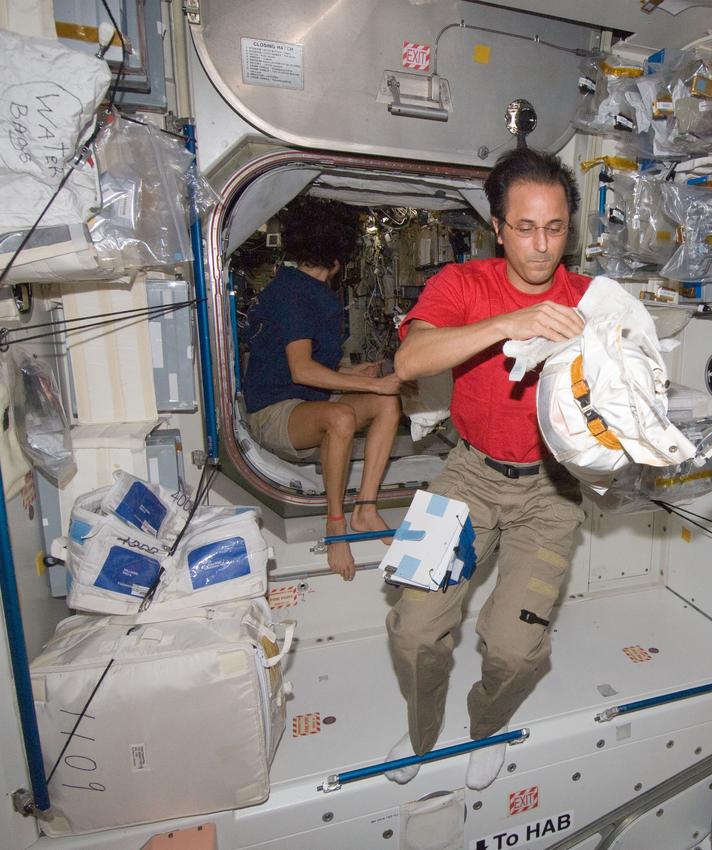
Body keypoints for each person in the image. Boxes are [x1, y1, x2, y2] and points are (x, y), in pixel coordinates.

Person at [384, 148, 589, 791]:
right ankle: (422, 735)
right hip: (467, 474)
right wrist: (512, 322)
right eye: (524, 228)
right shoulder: (462, 285)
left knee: (516, 650)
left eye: (555, 228)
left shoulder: (591, 298)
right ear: (497, 228)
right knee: (414, 629)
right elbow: (412, 361)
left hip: (552, 492)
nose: (540, 246)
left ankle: (485, 726)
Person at [241, 196, 401, 579]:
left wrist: (353, 372)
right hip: (273, 414)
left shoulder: (304, 290)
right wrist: (365, 386)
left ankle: (364, 509)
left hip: (304, 406)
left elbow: (304, 361)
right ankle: (336, 526)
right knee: (343, 415)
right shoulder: (295, 294)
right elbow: (302, 371)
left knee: (387, 403)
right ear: (339, 253)